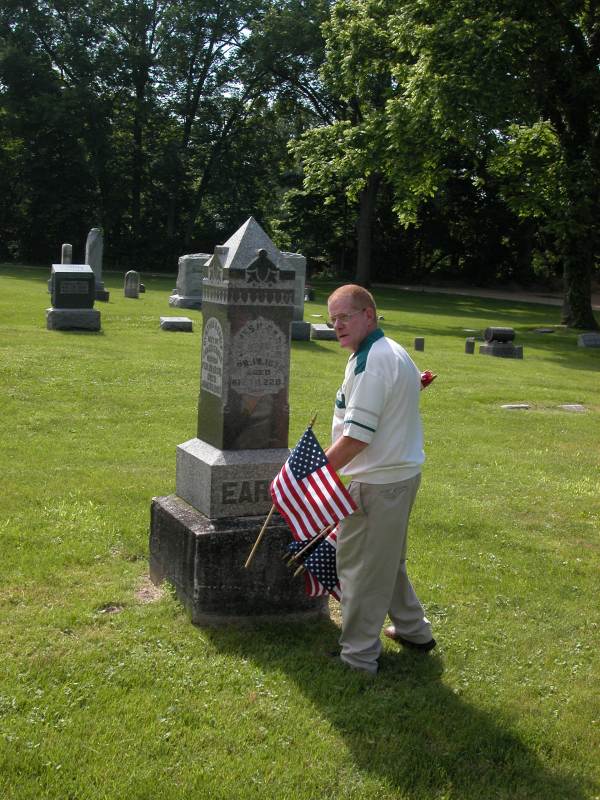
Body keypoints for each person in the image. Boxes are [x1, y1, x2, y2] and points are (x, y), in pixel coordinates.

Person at [325, 284, 435, 675]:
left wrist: (317, 473)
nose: (337, 325)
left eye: (345, 317)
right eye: (332, 319)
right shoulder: (390, 351)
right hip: (398, 476)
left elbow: (356, 438)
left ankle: (357, 658)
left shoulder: (372, 362)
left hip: (376, 483)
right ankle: (414, 631)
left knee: (361, 570)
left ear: (368, 315)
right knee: (386, 561)